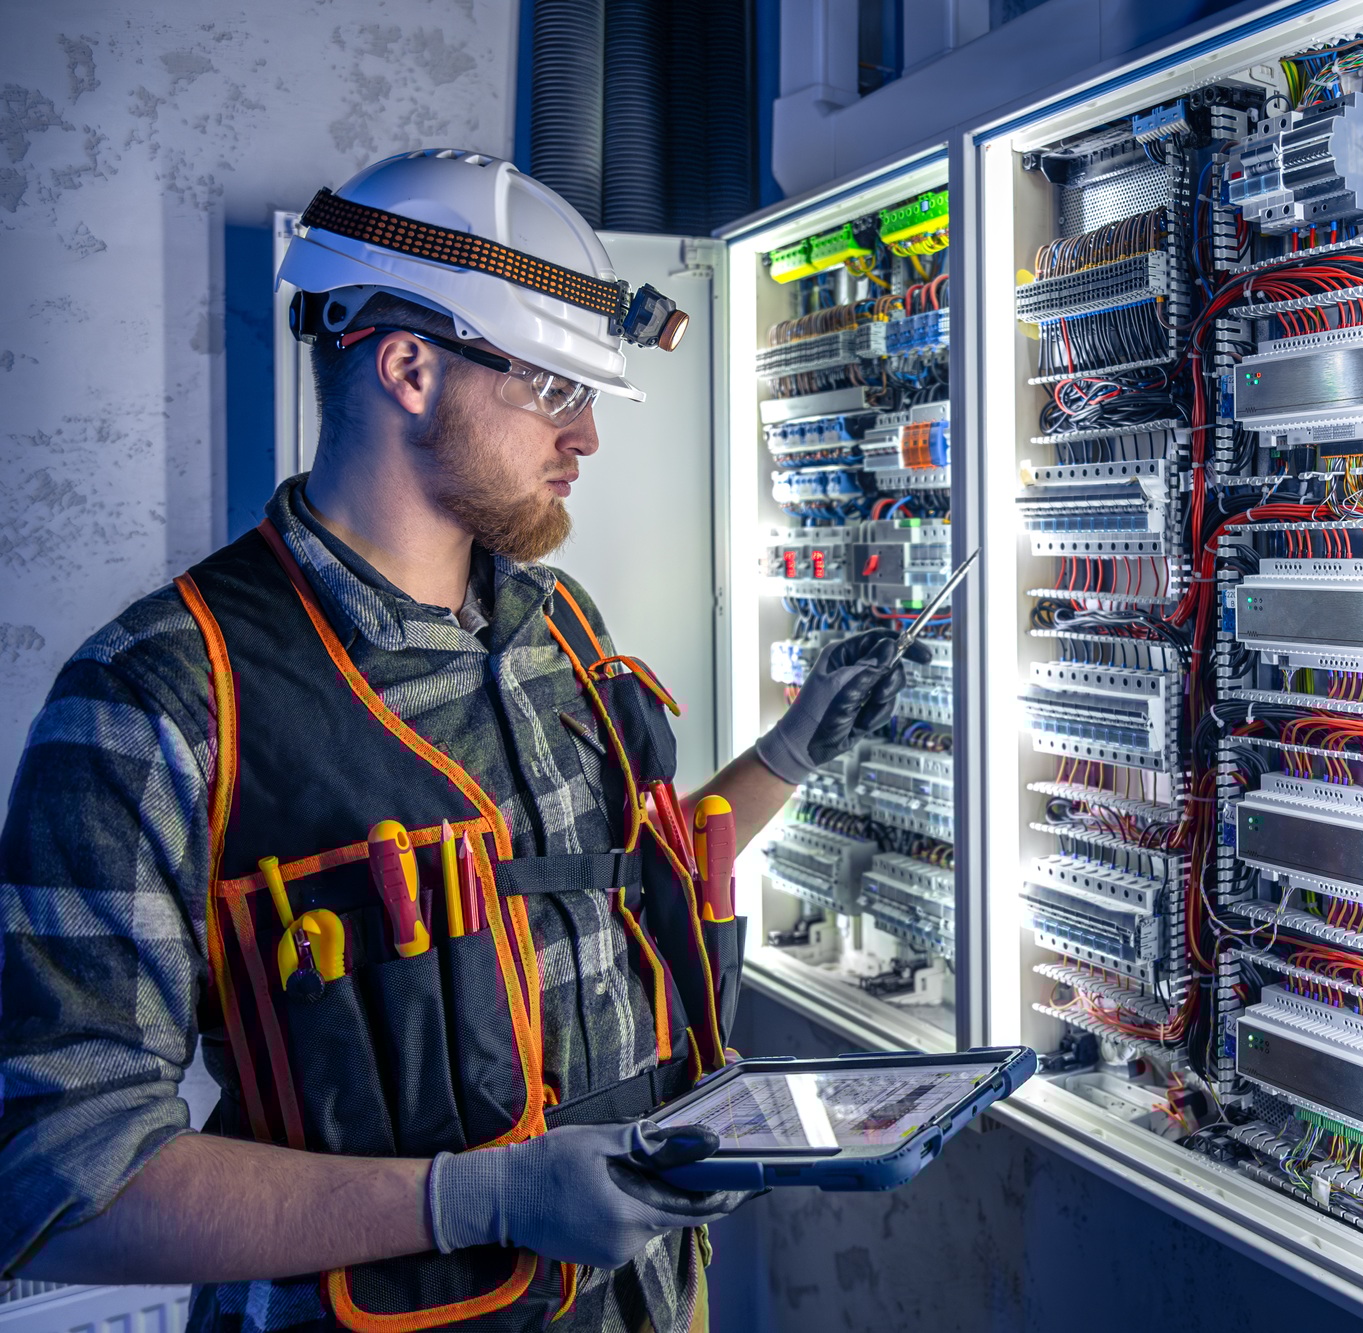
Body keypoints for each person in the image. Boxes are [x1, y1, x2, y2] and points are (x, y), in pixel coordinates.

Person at [0, 149, 923, 1332]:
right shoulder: (162, 698)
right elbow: (61, 1180)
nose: (585, 437)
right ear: (407, 367)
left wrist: (789, 755)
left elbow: (618, 890)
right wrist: (473, 1197)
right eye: (553, 391)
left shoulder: (559, 630)